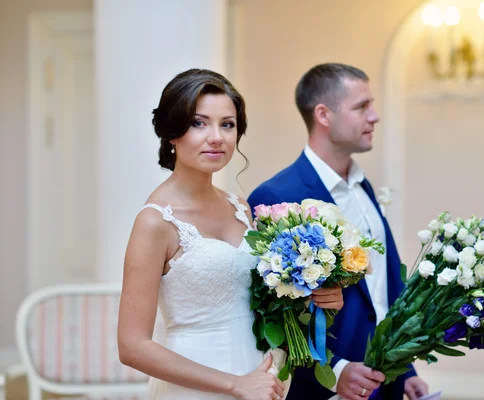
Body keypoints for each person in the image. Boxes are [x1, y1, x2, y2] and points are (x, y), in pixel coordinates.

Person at [117, 69, 343, 400]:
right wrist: (235, 385)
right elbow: (132, 346)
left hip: (263, 382)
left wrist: (316, 297)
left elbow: (253, 299)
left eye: (227, 124)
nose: (217, 137)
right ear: (172, 132)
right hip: (198, 386)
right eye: (199, 123)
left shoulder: (240, 206)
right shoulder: (155, 222)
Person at [248, 64, 429, 400]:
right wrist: (335, 370)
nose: (374, 117)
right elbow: (269, 316)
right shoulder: (275, 198)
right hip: (324, 388)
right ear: (323, 115)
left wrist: (406, 368)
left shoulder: (364, 188)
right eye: (361, 106)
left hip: (382, 378)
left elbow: (384, 285)